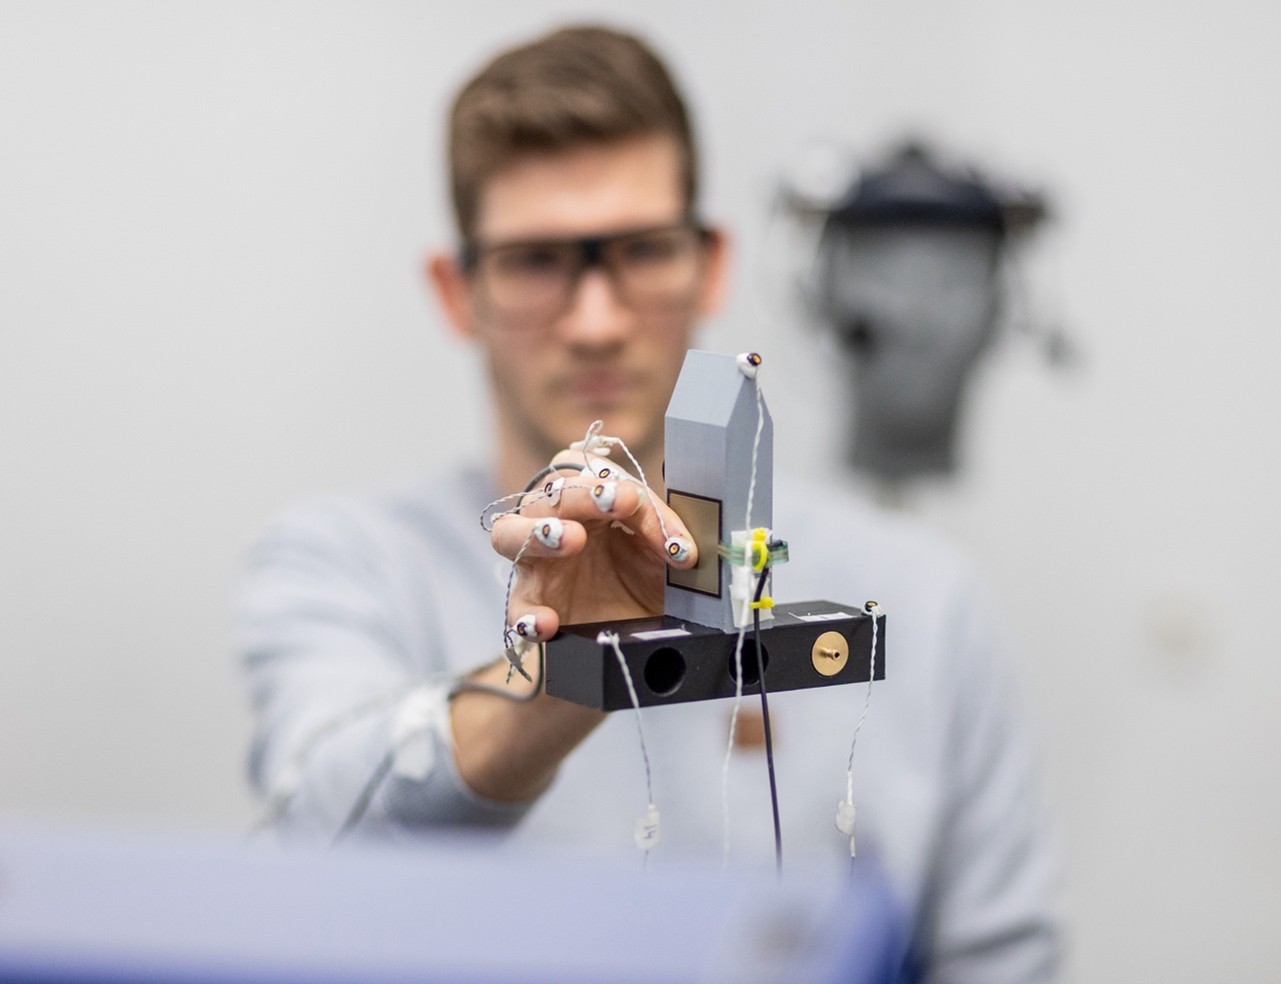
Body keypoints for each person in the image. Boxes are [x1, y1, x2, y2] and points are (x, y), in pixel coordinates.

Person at [239, 24, 1059, 982]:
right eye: (535, 261)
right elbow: (313, 841)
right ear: (457, 292)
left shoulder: (922, 601)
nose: (596, 321)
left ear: (710, 264)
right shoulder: (345, 564)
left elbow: (1002, 958)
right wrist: (561, 675)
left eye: (641, 250)